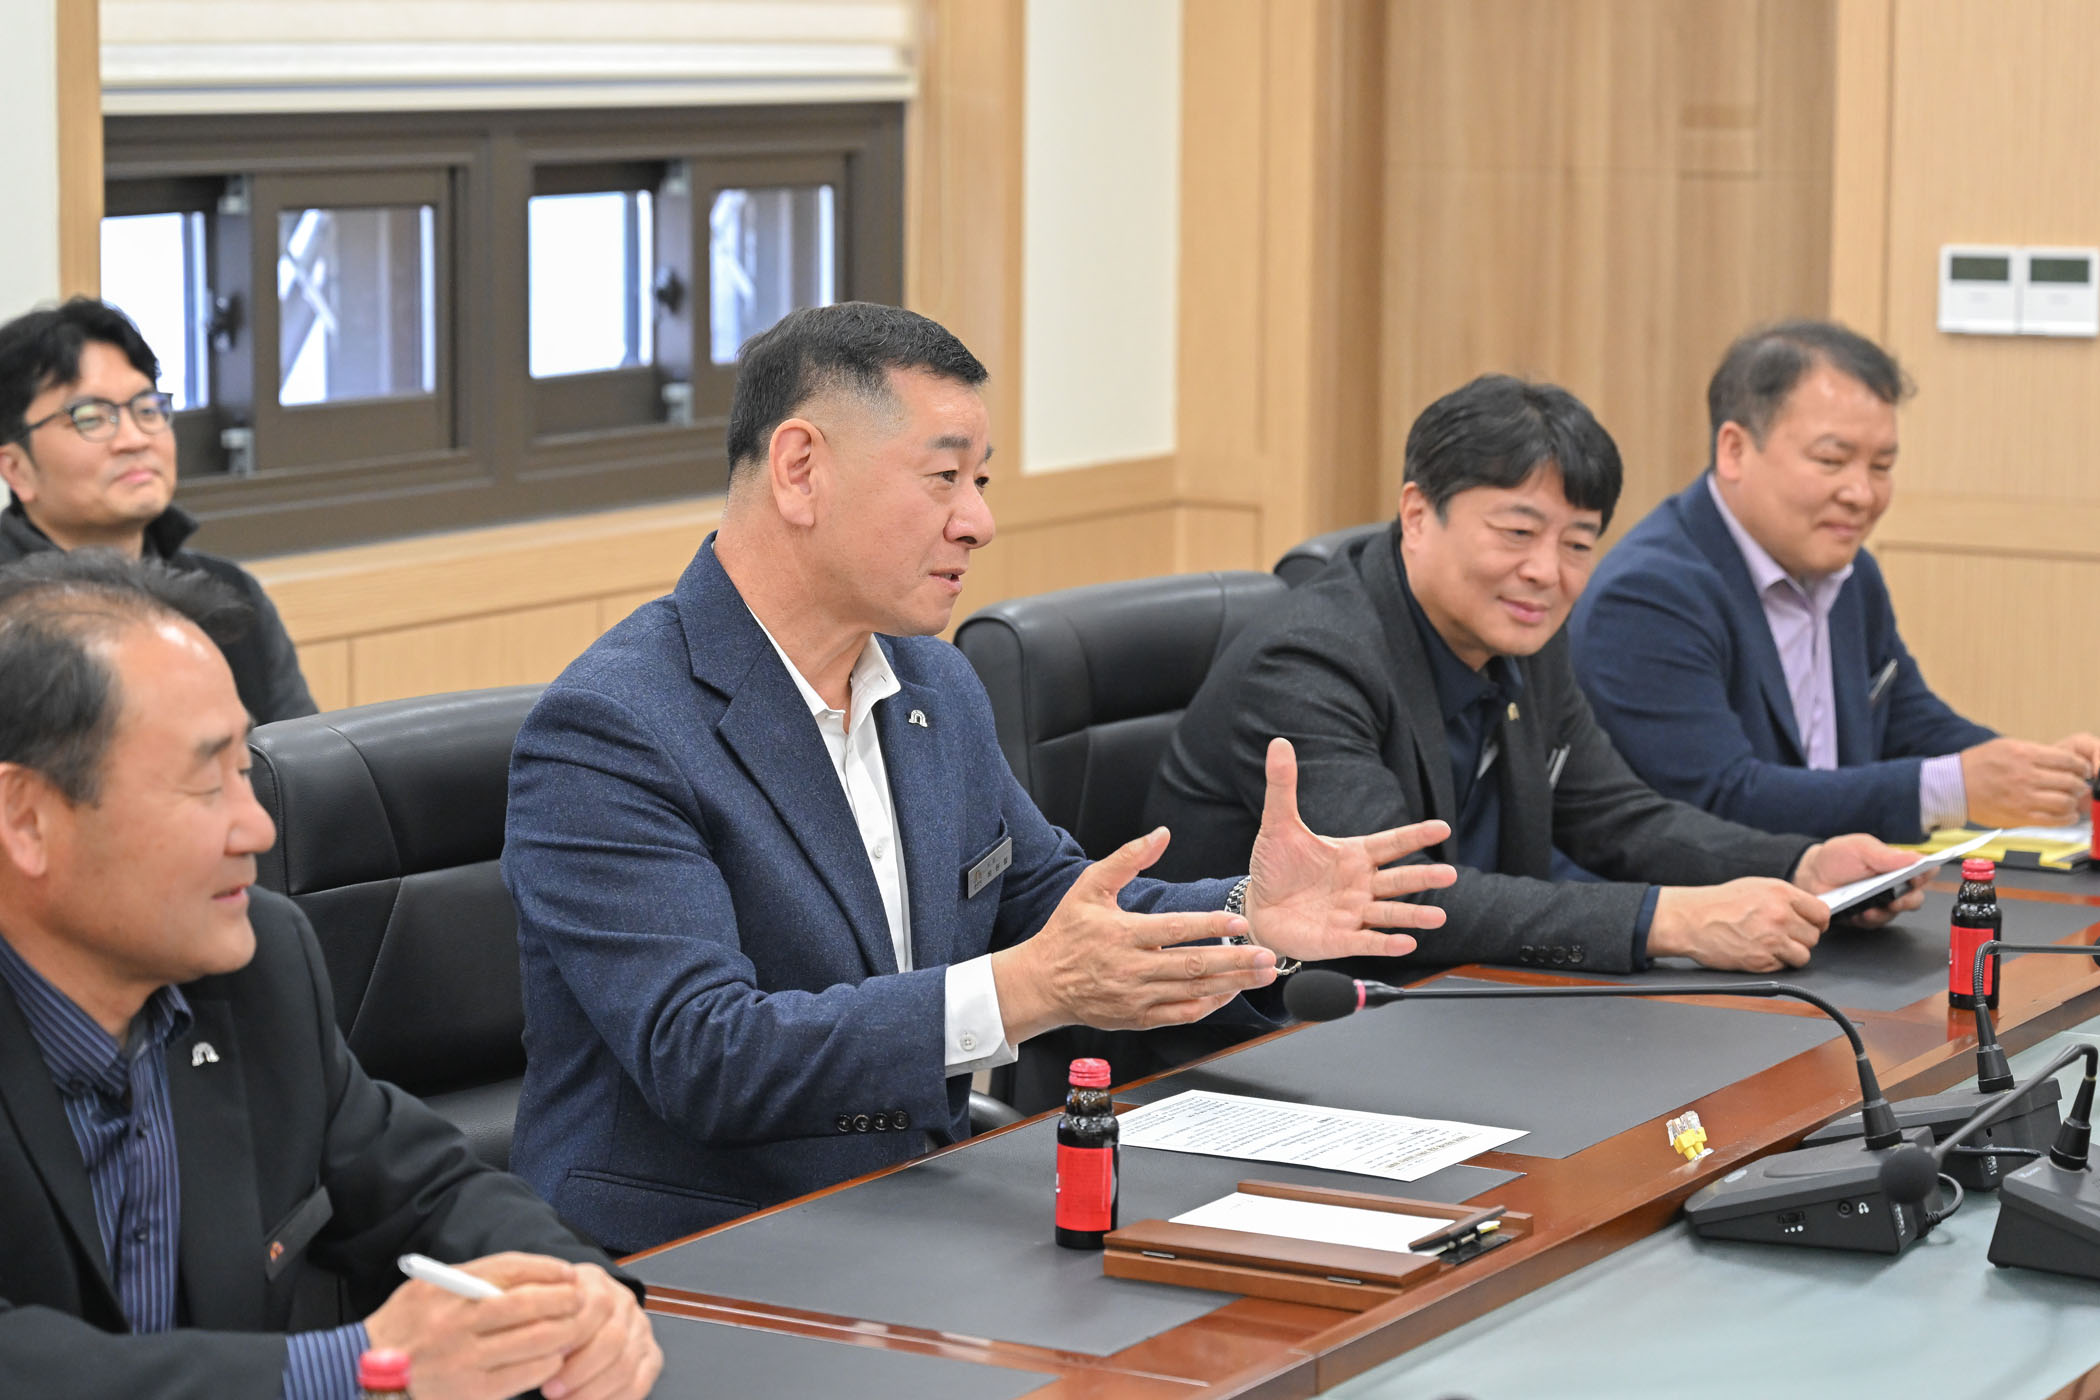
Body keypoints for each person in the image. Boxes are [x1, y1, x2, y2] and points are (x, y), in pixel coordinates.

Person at [501, 302, 1456, 1254]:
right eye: (944, 477)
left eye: (982, 481)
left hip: (916, 1214)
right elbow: (708, 1055)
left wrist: (1248, 918)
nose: (980, 522)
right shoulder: (613, 728)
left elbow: (1048, 904)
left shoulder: (933, 683)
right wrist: (1022, 992)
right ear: (800, 470)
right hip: (696, 1256)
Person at [0, 552, 658, 1400]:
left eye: (246, 772)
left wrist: (574, 1295)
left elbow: (428, 1190)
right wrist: (359, 1368)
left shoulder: (257, 963)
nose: (257, 830)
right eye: (204, 785)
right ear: (26, 820)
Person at [1144, 373, 1924, 977]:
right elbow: (1393, 896)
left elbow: (1618, 818)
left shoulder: (1523, 637)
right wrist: (1669, 920)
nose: (1546, 572)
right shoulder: (1309, 661)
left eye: (1578, 544)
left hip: (1453, 1006)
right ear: (1417, 515)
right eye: (1517, 532)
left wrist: (1798, 864)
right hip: (1265, 1029)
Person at [1570, 320, 2100, 842]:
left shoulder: (1851, 574)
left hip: (1841, 887)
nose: (1861, 494)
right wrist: (1952, 789)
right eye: (1832, 460)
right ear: (1734, 450)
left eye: (1881, 466)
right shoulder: (1647, 595)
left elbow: (1909, 726)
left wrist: (2045, 776)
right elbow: (1719, 800)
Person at [0, 297, 315, 723]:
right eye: (90, 418)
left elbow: (298, 759)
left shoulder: (231, 594)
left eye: (147, 409)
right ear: (16, 469)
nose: (135, 439)